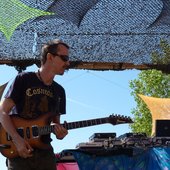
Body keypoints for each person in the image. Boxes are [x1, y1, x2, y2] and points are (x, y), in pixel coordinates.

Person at [0, 39, 70, 170]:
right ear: (50, 57)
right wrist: (17, 139)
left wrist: (60, 133)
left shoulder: (60, 91)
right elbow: (2, 112)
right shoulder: (23, 79)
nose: (68, 63)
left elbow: (56, 124)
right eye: (64, 58)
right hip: (19, 152)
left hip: (45, 154)